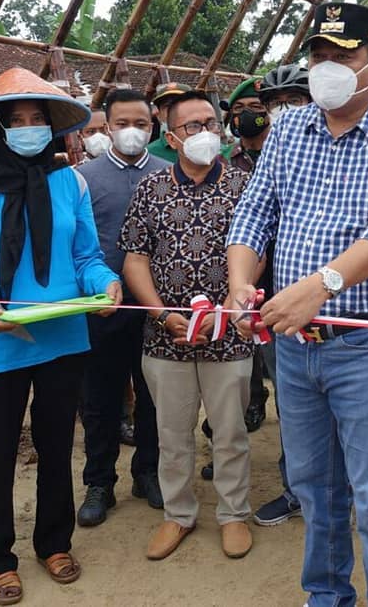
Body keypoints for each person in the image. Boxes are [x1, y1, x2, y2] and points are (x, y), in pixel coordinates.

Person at [227, 2, 368, 607]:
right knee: (314, 486)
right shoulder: (288, 129)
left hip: (366, 339)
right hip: (294, 348)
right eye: (318, 55)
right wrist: (242, 282)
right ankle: (326, 595)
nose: (326, 67)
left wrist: (321, 286)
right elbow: (254, 214)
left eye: (341, 56)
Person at [0, 68, 122, 605]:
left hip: (64, 335)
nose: (28, 129)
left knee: (57, 444)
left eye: (37, 119)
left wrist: (105, 282)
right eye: (15, 121)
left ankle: (53, 542)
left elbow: (86, 256)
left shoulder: (72, 182)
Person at [120, 90, 254, 561]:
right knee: (171, 433)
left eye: (212, 124)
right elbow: (135, 258)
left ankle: (234, 514)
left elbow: (257, 254)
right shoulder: (150, 190)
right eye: (193, 126)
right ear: (172, 138)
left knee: (230, 431)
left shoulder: (244, 186)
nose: (206, 134)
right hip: (165, 337)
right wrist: (160, 312)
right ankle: (178, 514)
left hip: (228, 333)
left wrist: (227, 308)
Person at [75, 89, 169, 528]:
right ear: (106, 126)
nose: (132, 131)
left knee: (153, 394)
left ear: (154, 126)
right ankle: (99, 481)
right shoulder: (81, 179)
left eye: (142, 124)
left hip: (156, 307)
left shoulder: (168, 174)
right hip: (101, 308)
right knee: (100, 399)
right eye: (122, 123)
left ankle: (147, 471)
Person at [250, 62, 313, 527]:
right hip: (270, 307)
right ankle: (296, 488)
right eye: (274, 105)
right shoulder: (247, 163)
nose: (282, 112)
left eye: (294, 101)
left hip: (334, 305)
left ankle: (343, 492)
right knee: (291, 408)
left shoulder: (337, 160)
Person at [223, 76, 272, 434]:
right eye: (239, 110)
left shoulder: (284, 153)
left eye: (256, 109)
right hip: (244, 263)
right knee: (243, 334)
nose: (247, 116)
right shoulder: (225, 160)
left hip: (286, 263)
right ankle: (253, 399)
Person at [146, 82, 191, 163]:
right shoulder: (149, 154)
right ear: (159, 115)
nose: (175, 111)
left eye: (180, 104)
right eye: (167, 106)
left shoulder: (214, 149)